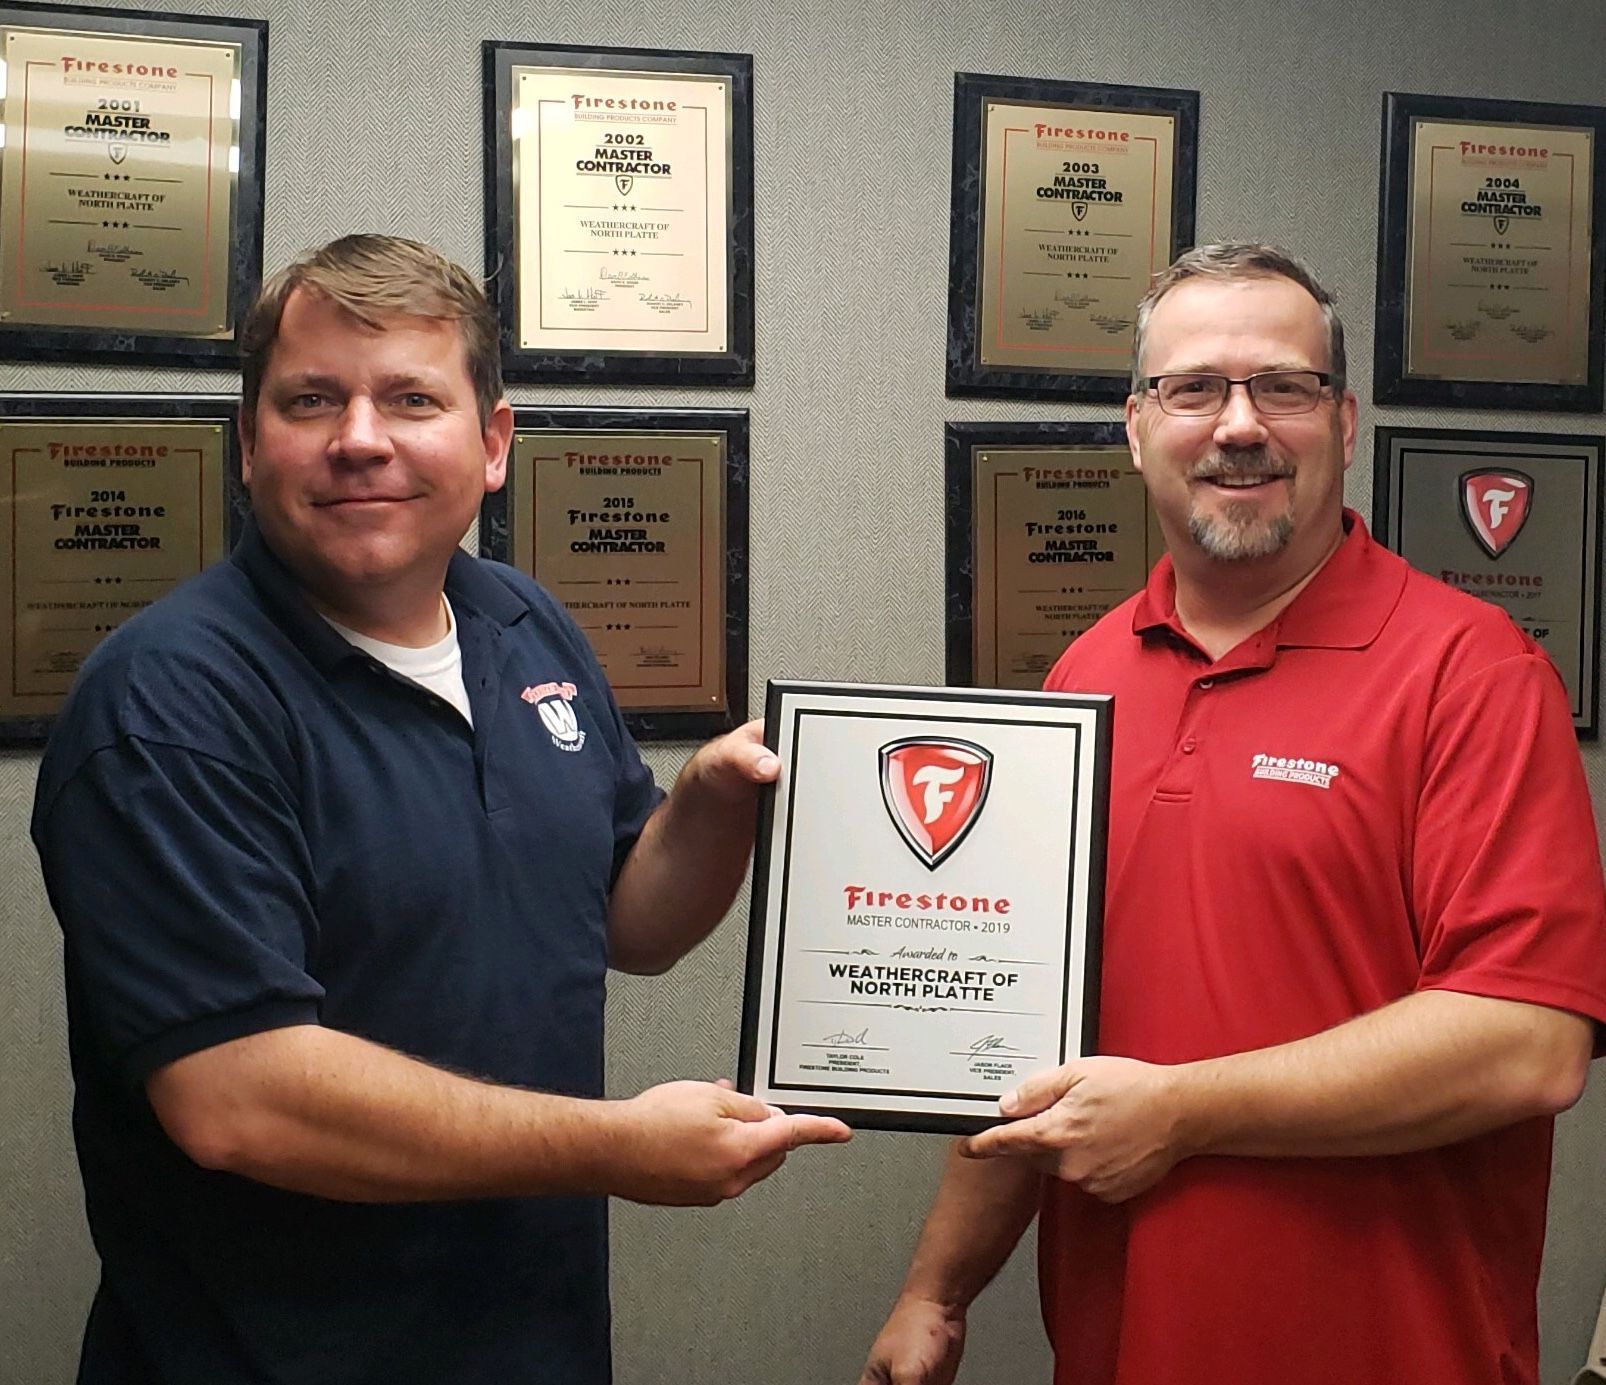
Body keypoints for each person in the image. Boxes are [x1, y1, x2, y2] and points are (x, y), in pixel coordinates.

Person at [31, 233, 849, 1385]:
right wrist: (617, 1144)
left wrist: (710, 806)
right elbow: (238, 1098)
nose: (360, 439)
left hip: (533, 1339)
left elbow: (630, 924)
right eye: (312, 399)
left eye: (411, 397)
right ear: (250, 443)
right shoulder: (171, 703)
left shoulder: (522, 625)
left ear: (493, 441)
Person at [860, 243, 1606, 1385]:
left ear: (1344, 421)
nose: (1239, 424)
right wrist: (935, 1287)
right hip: (1120, 1349)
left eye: (1284, 387)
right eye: (1193, 387)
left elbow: (1527, 1043)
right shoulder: (1083, 679)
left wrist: (1183, 1111)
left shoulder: (1471, 671)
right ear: (1135, 425)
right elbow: (1018, 1029)